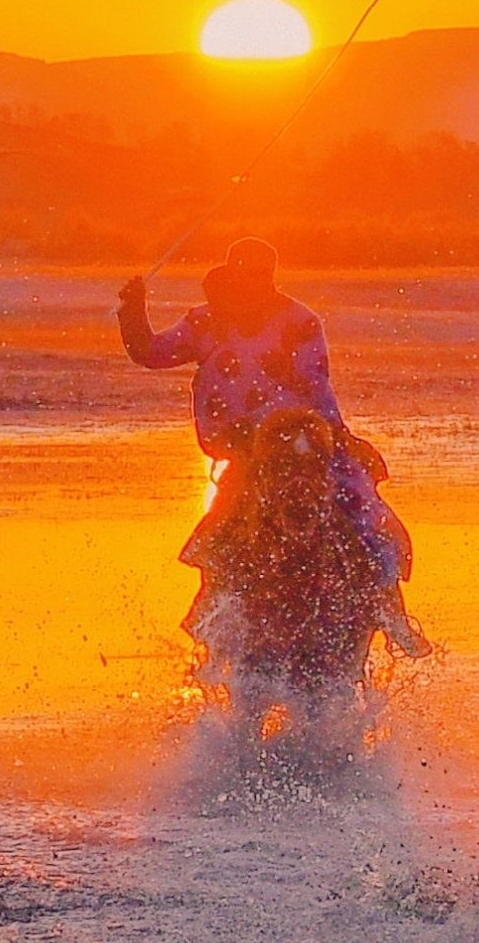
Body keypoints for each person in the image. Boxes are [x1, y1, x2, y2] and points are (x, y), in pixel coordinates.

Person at [118, 238, 430, 657]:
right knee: (223, 529)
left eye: (255, 277)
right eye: (241, 276)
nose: (247, 285)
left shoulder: (298, 322)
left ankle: (390, 610)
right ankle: (214, 611)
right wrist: (133, 311)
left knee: (364, 514)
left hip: (301, 437)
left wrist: (337, 440)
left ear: (268, 278)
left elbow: (314, 387)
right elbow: (152, 352)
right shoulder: (206, 322)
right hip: (245, 448)